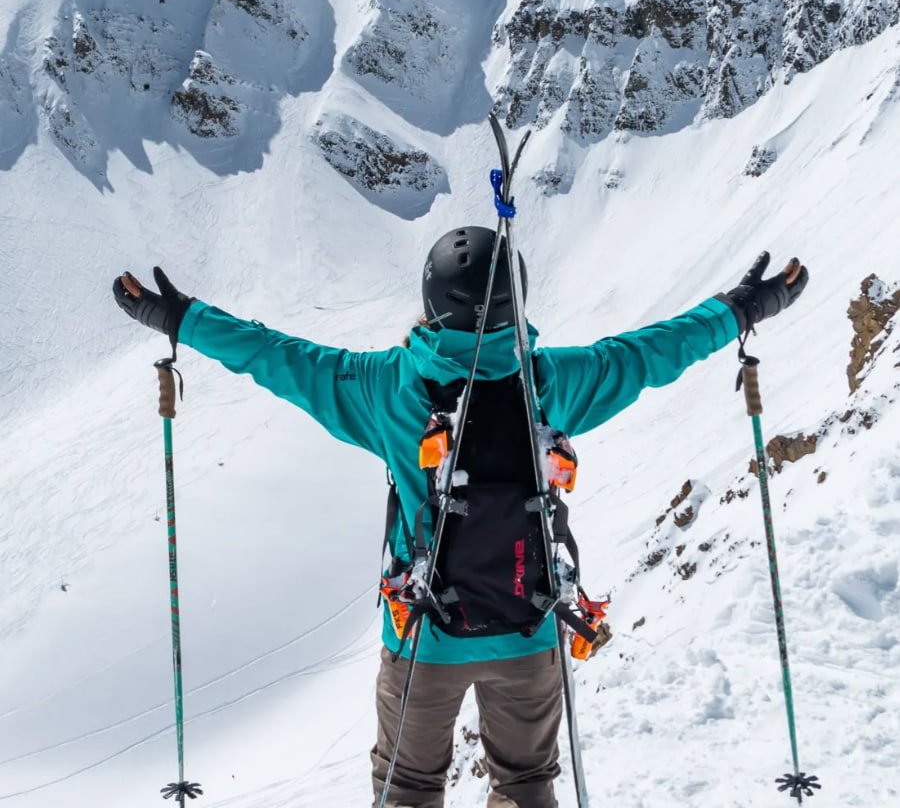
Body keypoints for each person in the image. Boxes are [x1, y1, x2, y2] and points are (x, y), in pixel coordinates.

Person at [113, 233, 807, 808]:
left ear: (429, 301)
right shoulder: (553, 383)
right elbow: (653, 352)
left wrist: (182, 320)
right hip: (529, 628)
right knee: (527, 782)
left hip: (423, 640)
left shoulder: (385, 386)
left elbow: (280, 358)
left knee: (408, 788)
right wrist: (742, 309)